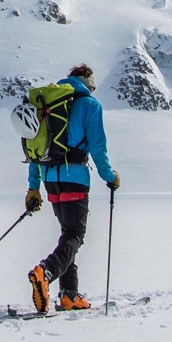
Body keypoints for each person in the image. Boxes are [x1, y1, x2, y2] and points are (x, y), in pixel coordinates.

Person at [24, 64, 119, 313]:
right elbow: (97, 146)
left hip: (50, 180)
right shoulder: (89, 105)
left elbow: (36, 150)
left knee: (68, 234)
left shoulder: (49, 106)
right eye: (93, 87)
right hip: (74, 178)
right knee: (75, 235)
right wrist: (110, 177)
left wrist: (33, 188)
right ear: (88, 84)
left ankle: (69, 294)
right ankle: (46, 271)